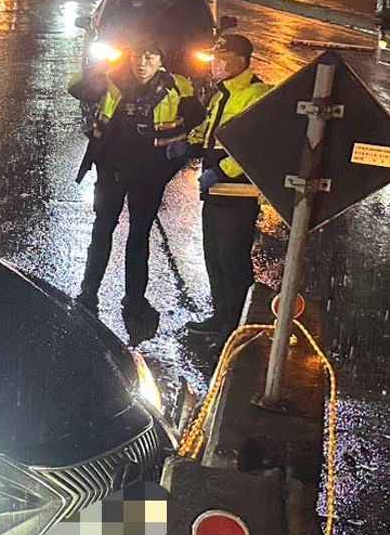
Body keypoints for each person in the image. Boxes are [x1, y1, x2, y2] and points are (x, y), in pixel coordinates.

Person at [69, 36, 205, 341]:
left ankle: (135, 298)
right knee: (102, 229)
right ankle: (88, 292)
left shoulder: (177, 86)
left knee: (139, 236)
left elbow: (198, 117)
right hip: (112, 171)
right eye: (137, 57)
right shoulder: (112, 79)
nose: (142, 63)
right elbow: (76, 87)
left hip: (149, 174)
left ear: (160, 61)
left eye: (150, 57)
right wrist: (103, 65)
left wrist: (176, 154)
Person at [185, 33, 271, 336]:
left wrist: (221, 171)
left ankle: (237, 326)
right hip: (215, 191)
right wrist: (188, 143)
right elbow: (210, 132)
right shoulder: (222, 94)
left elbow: (255, 147)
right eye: (213, 58)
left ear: (241, 62)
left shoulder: (256, 94)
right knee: (214, 257)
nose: (214, 64)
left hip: (237, 192)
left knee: (232, 260)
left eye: (221, 59)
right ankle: (220, 318)